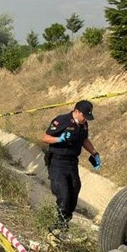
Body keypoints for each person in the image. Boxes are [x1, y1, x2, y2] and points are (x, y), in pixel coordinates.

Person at [42, 99, 101, 232]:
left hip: (72, 163)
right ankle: (58, 226)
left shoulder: (83, 125)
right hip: (57, 162)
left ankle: (65, 223)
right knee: (64, 194)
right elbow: (45, 138)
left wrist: (94, 153)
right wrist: (60, 139)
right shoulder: (62, 120)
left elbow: (84, 139)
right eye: (84, 116)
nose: (85, 119)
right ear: (76, 111)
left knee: (74, 191)